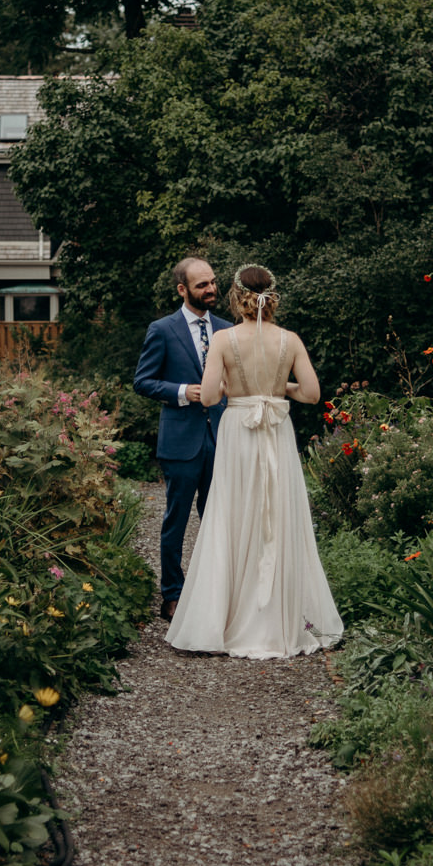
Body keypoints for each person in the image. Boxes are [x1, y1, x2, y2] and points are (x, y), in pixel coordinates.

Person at [167, 264, 344, 659]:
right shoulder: (291, 340)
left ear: (235, 297)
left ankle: (225, 620)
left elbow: (210, 397)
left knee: (234, 518)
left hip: (239, 434)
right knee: (278, 518)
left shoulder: (224, 340)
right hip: (276, 432)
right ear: (273, 297)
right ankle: (282, 620)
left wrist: (234, 386)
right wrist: (279, 386)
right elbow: (313, 394)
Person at [133, 257, 234, 621]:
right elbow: (142, 381)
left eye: (212, 282)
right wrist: (181, 391)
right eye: (202, 285)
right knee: (176, 520)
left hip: (222, 437)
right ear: (182, 289)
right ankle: (172, 594)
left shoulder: (227, 329)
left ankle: (215, 592)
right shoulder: (162, 329)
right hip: (180, 439)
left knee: (219, 519)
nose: (211, 290)